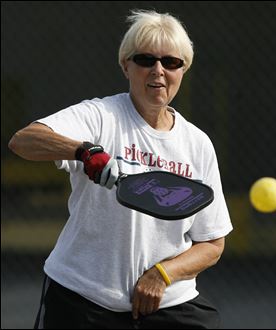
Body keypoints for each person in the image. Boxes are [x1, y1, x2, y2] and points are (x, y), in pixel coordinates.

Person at [8, 9, 233, 329]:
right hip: (82, 298)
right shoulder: (100, 116)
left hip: (167, 300)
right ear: (126, 65)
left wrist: (162, 275)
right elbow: (24, 141)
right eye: (145, 59)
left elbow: (212, 244)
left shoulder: (197, 144)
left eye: (171, 62)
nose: (158, 71)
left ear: (184, 70)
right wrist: (84, 152)